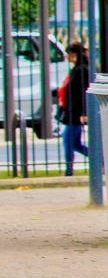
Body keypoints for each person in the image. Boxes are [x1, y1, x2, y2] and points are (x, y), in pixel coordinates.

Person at [59, 41, 89, 176]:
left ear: (75, 54)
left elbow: (84, 92)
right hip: (71, 111)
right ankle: (101, 160)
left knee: (67, 141)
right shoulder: (76, 69)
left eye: (69, 54)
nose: (67, 57)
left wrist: (84, 112)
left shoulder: (82, 70)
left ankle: (68, 171)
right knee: (75, 143)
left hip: (76, 112)